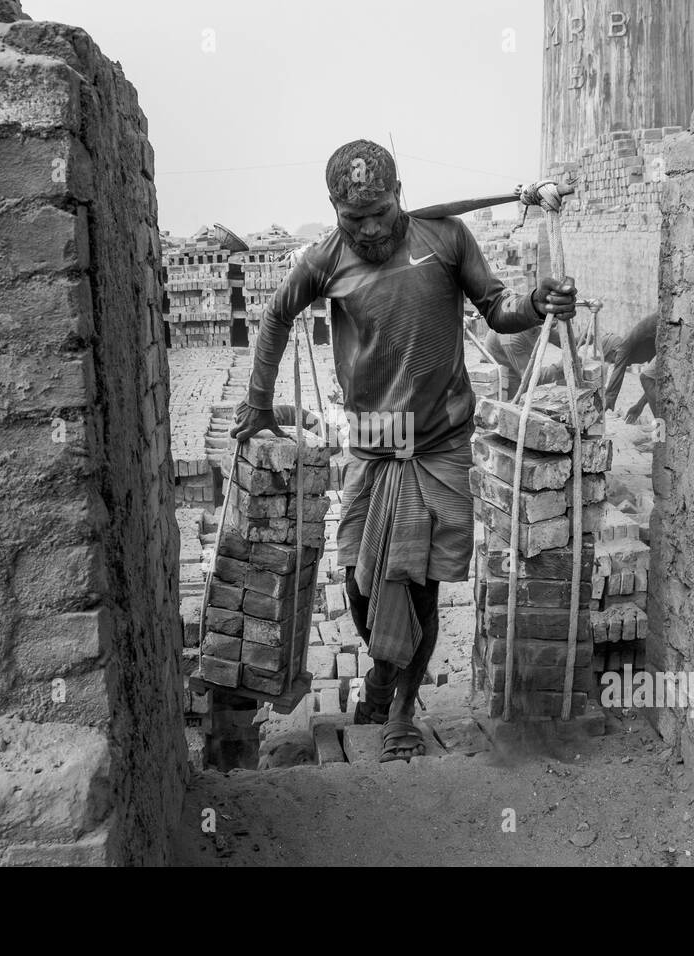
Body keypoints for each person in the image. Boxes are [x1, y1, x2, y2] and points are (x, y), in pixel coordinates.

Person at [230, 140, 577, 761]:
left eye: (380, 213)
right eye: (353, 218)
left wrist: (535, 303)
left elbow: (496, 309)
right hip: (372, 444)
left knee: (421, 587)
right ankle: (383, 672)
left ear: (400, 195)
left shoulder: (445, 238)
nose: (368, 229)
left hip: (441, 443)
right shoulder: (324, 259)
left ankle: (401, 711)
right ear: (334, 210)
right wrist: (259, 402)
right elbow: (276, 316)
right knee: (360, 586)